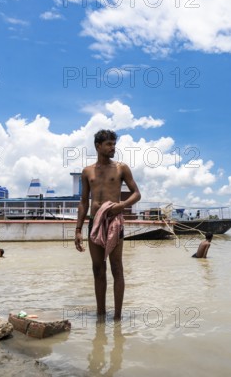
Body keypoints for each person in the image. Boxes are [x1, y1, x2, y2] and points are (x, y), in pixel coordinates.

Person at [74, 129, 141, 321]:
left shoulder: (121, 168)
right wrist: (78, 229)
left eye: (114, 143)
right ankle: (101, 315)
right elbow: (83, 201)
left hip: (114, 222)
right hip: (94, 221)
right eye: (109, 144)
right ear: (98, 146)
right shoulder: (87, 172)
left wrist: (121, 205)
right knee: (97, 268)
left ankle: (118, 318)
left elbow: (136, 193)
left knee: (117, 268)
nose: (113, 147)